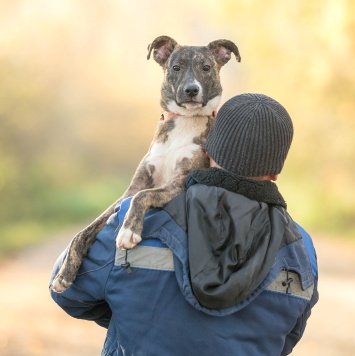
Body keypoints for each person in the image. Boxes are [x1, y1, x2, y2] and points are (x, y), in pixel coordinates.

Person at [49, 93, 319, 356]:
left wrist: (131, 318)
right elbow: (285, 339)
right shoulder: (302, 248)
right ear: (275, 172)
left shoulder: (138, 219)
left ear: (207, 150)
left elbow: (67, 293)